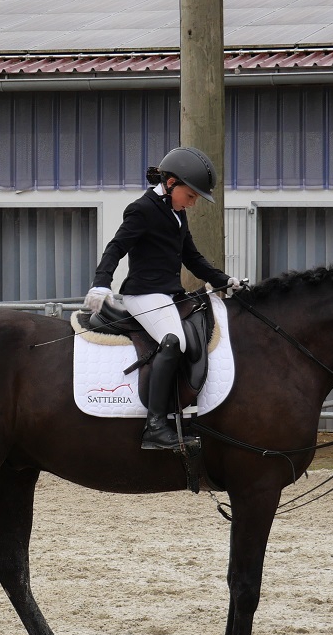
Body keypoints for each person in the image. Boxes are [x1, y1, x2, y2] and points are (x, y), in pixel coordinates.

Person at [84, 145, 242, 451]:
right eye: (191, 196)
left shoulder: (177, 214)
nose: (193, 203)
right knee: (174, 340)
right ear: (171, 184)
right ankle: (155, 426)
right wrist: (101, 283)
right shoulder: (142, 210)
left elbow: (193, 259)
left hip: (168, 294)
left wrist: (225, 281)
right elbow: (116, 248)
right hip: (142, 294)